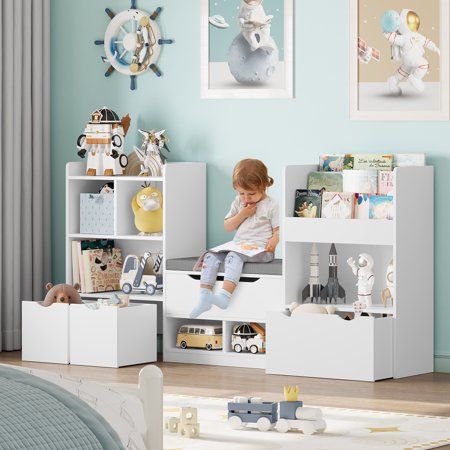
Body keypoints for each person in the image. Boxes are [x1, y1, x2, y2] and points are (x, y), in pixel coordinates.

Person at [190, 159, 279, 318]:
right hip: (239, 246)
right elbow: (228, 226)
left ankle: (224, 297)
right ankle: (204, 296)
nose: (246, 198)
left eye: (251, 193)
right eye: (241, 193)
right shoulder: (239, 202)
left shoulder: (271, 205)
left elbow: (278, 230)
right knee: (210, 255)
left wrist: (274, 240)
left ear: (264, 185)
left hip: (261, 250)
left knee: (233, 256)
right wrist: (242, 214)